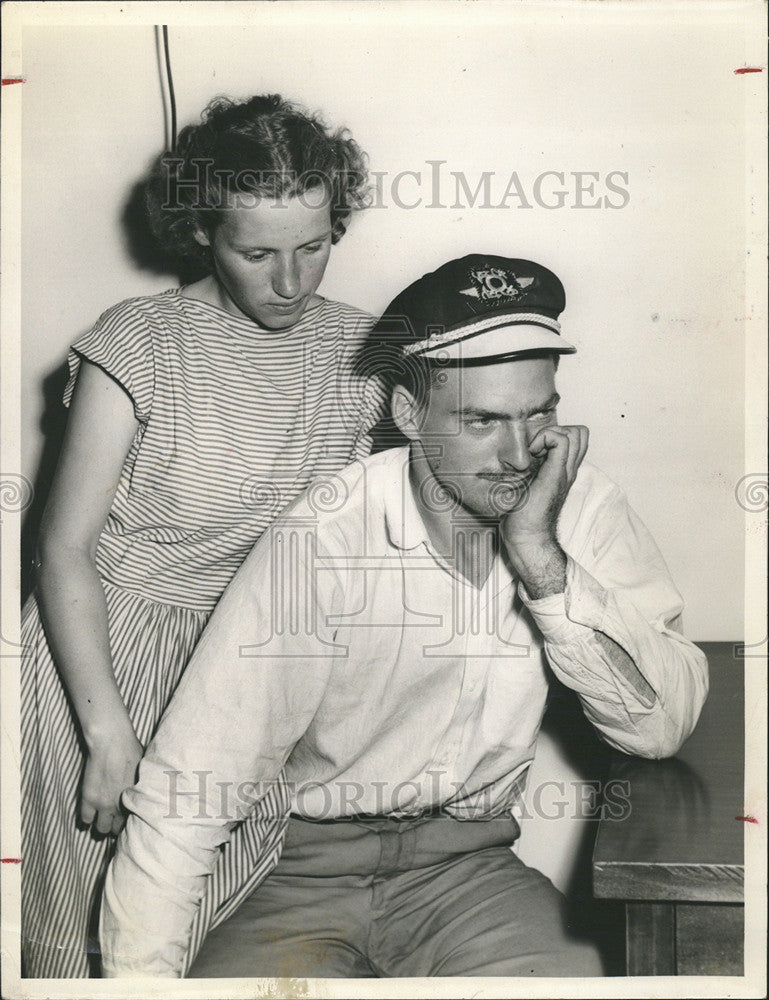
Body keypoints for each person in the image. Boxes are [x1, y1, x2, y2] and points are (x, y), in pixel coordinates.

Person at [99, 255, 709, 979]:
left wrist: (544, 562)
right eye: (481, 420)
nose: (519, 454)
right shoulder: (320, 541)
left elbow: (658, 727)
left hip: (465, 870)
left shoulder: (580, 506)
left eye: (537, 412)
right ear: (407, 415)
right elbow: (184, 798)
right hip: (289, 873)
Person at [20, 93, 384, 978]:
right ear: (199, 233)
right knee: (90, 956)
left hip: (253, 673)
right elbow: (62, 549)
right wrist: (106, 734)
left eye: (313, 246)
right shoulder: (137, 343)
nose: (291, 283)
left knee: (209, 948)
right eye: (255, 252)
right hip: (105, 663)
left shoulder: (369, 351)